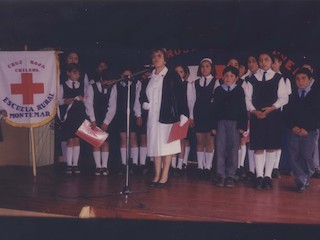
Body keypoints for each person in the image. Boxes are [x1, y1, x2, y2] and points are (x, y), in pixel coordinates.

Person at [140, 48, 188, 188]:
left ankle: (165, 176)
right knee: (155, 145)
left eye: (159, 56)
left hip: (167, 116)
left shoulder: (172, 75)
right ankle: (156, 175)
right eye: (154, 56)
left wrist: (184, 113)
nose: (156, 59)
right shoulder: (149, 77)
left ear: (165, 59)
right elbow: (143, 94)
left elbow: (181, 95)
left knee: (166, 146)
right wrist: (144, 102)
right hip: (153, 118)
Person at [246, 52, 289, 190]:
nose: (263, 62)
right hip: (257, 116)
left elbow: (284, 98)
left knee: (271, 146)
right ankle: (259, 176)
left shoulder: (278, 78)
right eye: (261, 60)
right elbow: (247, 98)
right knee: (258, 147)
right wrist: (253, 111)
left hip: (272, 116)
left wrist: (272, 108)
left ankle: (268, 176)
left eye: (266, 60)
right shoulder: (252, 79)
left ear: (271, 62)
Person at [283, 68, 320, 192]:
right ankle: (301, 179)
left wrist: (307, 128)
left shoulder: (316, 95)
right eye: (298, 79)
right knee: (294, 156)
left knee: (306, 155)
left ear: (310, 80)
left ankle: (306, 175)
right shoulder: (292, 95)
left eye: (303, 78)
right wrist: (293, 126)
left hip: (309, 132)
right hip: (294, 130)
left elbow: (317, 115)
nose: (300, 81)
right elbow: (287, 114)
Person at [211, 66, 248, 187]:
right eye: (226, 75)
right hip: (221, 123)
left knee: (233, 150)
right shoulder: (218, 90)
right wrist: (213, 126)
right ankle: (220, 174)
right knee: (220, 148)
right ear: (222, 77)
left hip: (235, 124)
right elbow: (214, 109)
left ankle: (231, 175)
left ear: (236, 78)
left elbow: (243, 109)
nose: (228, 78)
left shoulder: (239, 90)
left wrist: (242, 126)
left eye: (231, 76)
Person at [85, 69, 117, 176]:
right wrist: (93, 120)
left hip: (106, 117)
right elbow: (88, 104)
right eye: (106, 82)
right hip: (94, 117)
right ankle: (98, 166)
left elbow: (112, 107)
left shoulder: (113, 88)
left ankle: (105, 166)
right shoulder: (91, 87)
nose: (109, 84)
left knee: (106, 142)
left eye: (111, 82)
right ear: (102, 79)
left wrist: (106, 122)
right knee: (96, 142)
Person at [189, 58, 216, 180]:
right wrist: (191, 116)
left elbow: (216, 101)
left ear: (211, 68)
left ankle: (208, 167)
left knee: (209, 141)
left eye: (207, 66)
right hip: (199, 114)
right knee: (200, 141)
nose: (204, 69)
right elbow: (191, 101)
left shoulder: (216, 82)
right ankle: (200, 166)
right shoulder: (194, 83)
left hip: (210, 115)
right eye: (202, 66)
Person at [59, 63, 87, 174]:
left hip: (79, 115)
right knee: (70, 139)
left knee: (77, 139)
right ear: (68, 73)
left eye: (78, 73)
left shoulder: (82, 85)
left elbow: (88, 98)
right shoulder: (63, 85)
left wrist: (82, 98)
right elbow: (58, 100)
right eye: (74, 73)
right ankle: (69, 164)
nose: (77, 75)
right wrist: (65, 101)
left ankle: (75, 165)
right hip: (69, 116)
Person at [270, 54, 292, 179]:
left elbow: (286, 99)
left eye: (275, 62)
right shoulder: (264, 78)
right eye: (271, 62)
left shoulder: (285, 79)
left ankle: (275, 167)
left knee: (277, 141)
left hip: (278, 114)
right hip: (265, 114)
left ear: (280, 63)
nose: (273, 65)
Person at [115, 68, 139, 175]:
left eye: (129, 76)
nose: (127, 78)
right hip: (121, 115)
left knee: (133, 139)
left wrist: (138, 115)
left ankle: (134, 164)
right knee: (123, 140)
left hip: (132, 114)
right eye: (125, 76)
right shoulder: (117, 86)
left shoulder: (137, 84)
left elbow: (137, 100)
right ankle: (124, 165)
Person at [171, 64, 191, 175]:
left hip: (183, 115)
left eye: (181, 71)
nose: (179, 74)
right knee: (173, 140)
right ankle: (172, 165)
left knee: (181, 141)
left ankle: (179, 165)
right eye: (176, 71)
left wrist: (188, 115)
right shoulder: (170, 85)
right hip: (173, 115)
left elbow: (189, 101)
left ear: (185, 74)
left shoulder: (187, 85)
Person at [134, 71, 152, 175]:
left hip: (156, 115)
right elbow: (137, 100)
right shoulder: (142, 84)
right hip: (144, 114)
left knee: (153, 139)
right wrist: (138, 115)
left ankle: (152, 163)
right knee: (143, 138)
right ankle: (142, 164)